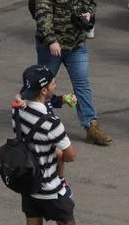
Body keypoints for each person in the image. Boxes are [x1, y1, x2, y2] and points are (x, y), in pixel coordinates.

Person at [31, 0, 111, 146]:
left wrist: (88, 14)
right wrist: (51, 40)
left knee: (82, 85)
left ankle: (91, 126)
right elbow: (43, 11)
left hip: (76, 44)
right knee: (43, 86)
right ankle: (32, 120)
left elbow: (90, 3)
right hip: (53, 46)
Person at [12, 66, 77, 225]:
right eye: (53, 84)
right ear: (43, 90)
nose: (55, 87)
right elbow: (70, 155)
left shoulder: (17, 111)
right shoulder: (51, 123)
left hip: (29, 184)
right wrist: (57, 152)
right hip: (50, 188)